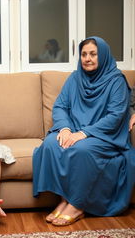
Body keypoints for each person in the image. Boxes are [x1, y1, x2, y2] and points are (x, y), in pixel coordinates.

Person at [32, 36, 135, 226]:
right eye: (84, 54)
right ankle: (64, 199)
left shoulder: (116, 80)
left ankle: (77, 206)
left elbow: (116, 115)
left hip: (104, 135)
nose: (87, 58)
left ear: (103, 55)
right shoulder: (75, 77)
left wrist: (84, 133)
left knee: (81, 150)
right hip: (75, 130)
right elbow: (60, 106)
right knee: (51, 144)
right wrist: (64, 128)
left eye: (93, 54)